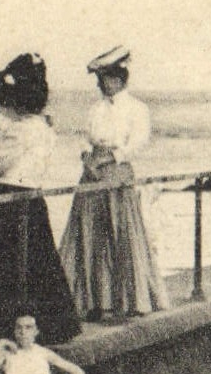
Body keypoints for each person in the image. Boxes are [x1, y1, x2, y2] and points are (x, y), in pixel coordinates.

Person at [0, 54, 81, 349]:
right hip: (32, 198)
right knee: (38, 262)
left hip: (7, 200)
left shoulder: (17, 131)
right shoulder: (45, 127)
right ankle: (50, 327)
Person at [59, 46, 168, 320]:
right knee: (88, 234)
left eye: (105, 78)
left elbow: (138, 142)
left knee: (117, 235)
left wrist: (110, 158)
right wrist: (87, 156)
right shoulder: (95, 109)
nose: (101, 84)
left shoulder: (137, 109)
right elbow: (86, 138)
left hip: (117, 172)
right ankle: (93, 301)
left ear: (120, 79)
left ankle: (124, 300)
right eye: (100, 79)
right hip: (92, 175)